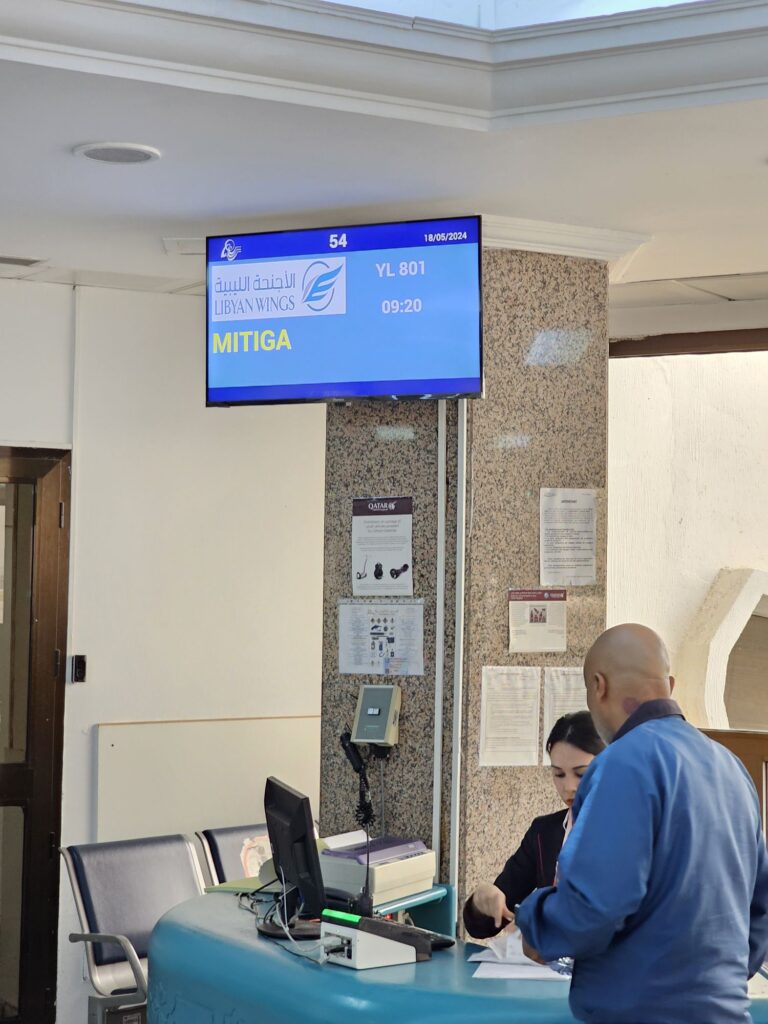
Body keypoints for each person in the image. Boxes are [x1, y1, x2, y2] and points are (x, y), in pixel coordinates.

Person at [516, 623, 768, 1024]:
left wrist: (537, 923)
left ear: (598, 686)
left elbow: (597, 905)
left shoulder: (621, 764)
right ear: (668, 684)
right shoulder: (729, 767)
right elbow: (759, 909)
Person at [463, 710, 605, 938]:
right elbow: (486, 925)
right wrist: (481, 901)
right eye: (558, 775)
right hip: (549, 968)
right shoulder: (544, 833)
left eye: (581, 774)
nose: (569, 787)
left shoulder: (632, 832)